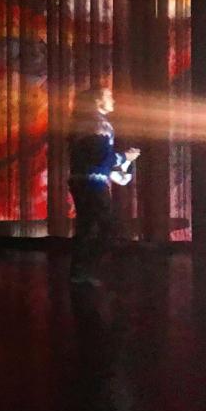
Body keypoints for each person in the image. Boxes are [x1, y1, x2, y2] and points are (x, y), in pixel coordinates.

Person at [68, 86, 140, 287]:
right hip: (92, 184)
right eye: (109, 96)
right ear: (97, 101)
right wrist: (125, 157)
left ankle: (80, 272)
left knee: (87, 228)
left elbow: (96, 158)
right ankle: (85, 270)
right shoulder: (97, 124)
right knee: (107, 228)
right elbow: (100, 156)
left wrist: (120, 164)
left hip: (85, 181)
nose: (113, 100)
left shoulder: (85, 123)